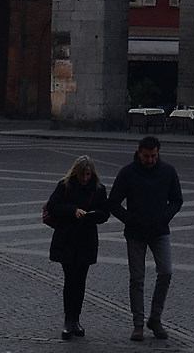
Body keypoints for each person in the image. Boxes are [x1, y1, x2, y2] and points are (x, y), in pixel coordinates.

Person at [110, 136, 184, 342]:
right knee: (137, 278)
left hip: (160, 230)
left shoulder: (168, 171)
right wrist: (129, 219)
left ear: (158, 153)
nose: (150, 160)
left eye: (153, 156)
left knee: (166, 271)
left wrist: (165, 215)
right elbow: (113, 202)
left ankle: (155, 318)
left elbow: (177, 199)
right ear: (139, 153)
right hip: (135, 233)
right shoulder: (127, 173)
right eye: (146, 156)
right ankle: (138, 323)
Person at [43, 155, 110, 339]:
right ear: (76, 173)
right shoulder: (65, 186)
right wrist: (73, 211)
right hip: (67, 238)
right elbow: (53, 206)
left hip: (86, 239)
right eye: (82, 175)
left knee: (80, 281)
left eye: (88, 174)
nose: (85, 178)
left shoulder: (98, 189)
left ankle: (76, 319)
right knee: (70, 279)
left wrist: (92, 215)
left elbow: (105, 213)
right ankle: (68, 319)